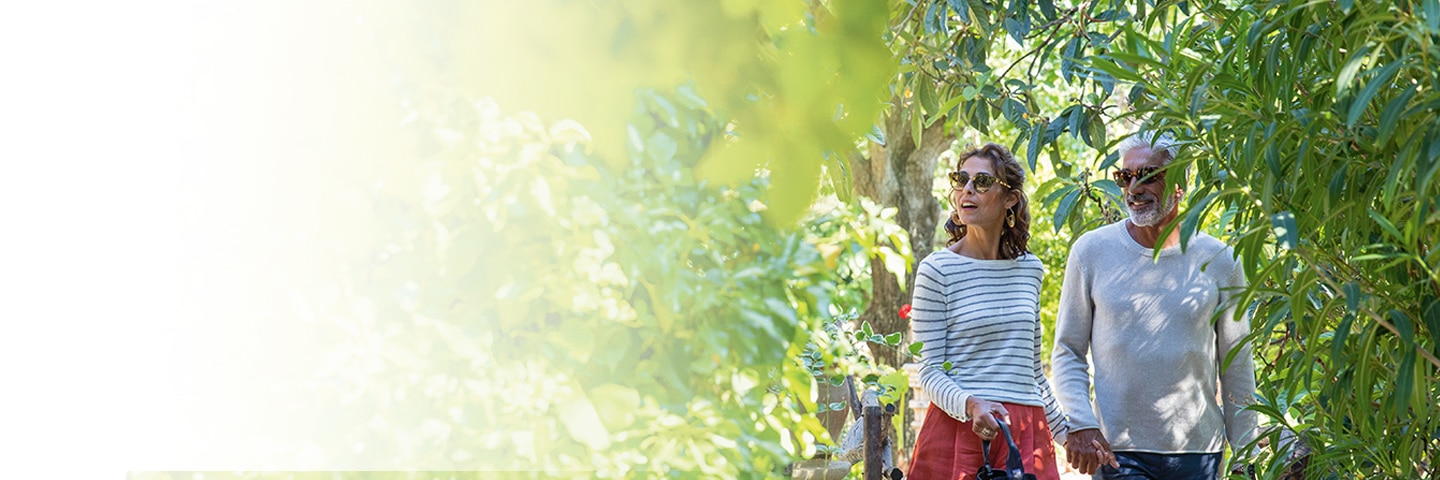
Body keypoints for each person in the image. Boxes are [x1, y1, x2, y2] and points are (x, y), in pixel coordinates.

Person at [1051, 131, 1259, 479]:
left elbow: (1236, 362)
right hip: (1118, 451)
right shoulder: (1091, 252)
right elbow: (1068, 350)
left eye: (1148, 175)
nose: (1133, 188)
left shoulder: (1221, 259)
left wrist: (1246, 452)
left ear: (1180, 183)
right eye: (1125, 176)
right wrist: (1082, 423)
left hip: (1199, 453)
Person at [907, 143, 1070, 480]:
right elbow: (930, 371)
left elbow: (1033, 372)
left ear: (1009, 198)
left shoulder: (1030, 269)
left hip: (1025, 432)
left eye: (981, 181)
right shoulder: (937, 270)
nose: (967, 189)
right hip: (959, 429)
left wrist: (1069, 435)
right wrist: (971, 405)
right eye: (961, 179)